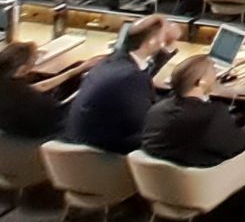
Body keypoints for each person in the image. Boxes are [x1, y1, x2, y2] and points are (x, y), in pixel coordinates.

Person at [66, 14, 184, 153]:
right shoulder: (132, 77)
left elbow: (142, 76)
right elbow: (146, 124)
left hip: (82, 140)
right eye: (162, 37)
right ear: (152, 42)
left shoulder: (112, 61)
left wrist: (165, 45)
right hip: (105, 152)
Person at [141, 54, 245, 180]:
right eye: (213, 70)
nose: (216, 74)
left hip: (159, 181)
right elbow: (238, 144)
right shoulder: (213, 114)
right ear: (201, 82)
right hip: (205, 179)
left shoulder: (156, 109)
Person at [0, 42, 68, 139]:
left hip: (9, 128)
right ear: (22, 69)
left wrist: (77, 70)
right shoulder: (29, 97)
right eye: (34, 60)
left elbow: (41, 86)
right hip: (37, 133)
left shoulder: (10, 84)